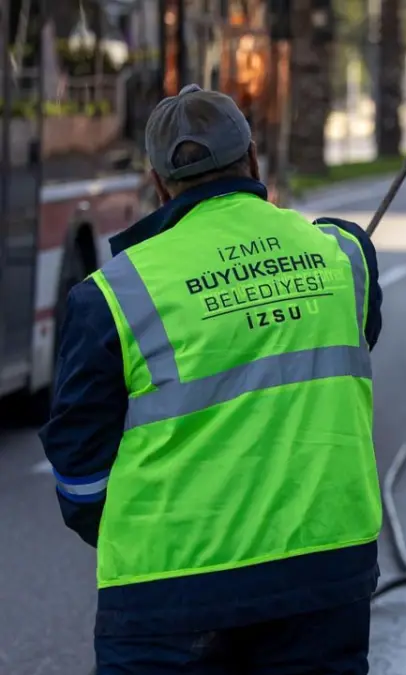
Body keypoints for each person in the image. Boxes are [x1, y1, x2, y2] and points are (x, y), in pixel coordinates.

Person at [39, 84, 384, 674]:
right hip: (323, 579)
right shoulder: (345, 254)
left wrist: (136, 527)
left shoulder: (112, 295)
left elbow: (79, 474)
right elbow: (359, 331)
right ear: (253, 159)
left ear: (157, 182)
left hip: (168, 594)